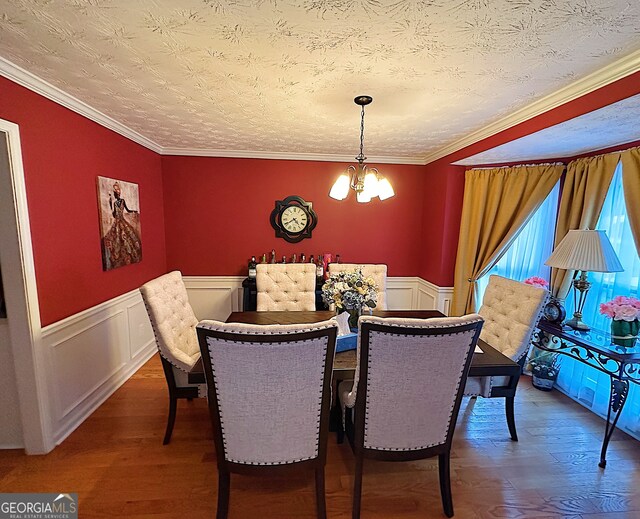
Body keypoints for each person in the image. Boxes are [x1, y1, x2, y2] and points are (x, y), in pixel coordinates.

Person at [101, 182, 142, 270]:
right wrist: (110, 204)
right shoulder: (115, 203)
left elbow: (127, 209)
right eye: (116, 194)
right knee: (116, 239)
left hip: (122, 221)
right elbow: (114, 215)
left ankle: (129, 255)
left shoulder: (122, 201)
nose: (116, 195)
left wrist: (133, 211)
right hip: (117, 222)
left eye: (117, 193)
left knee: (128, 237)